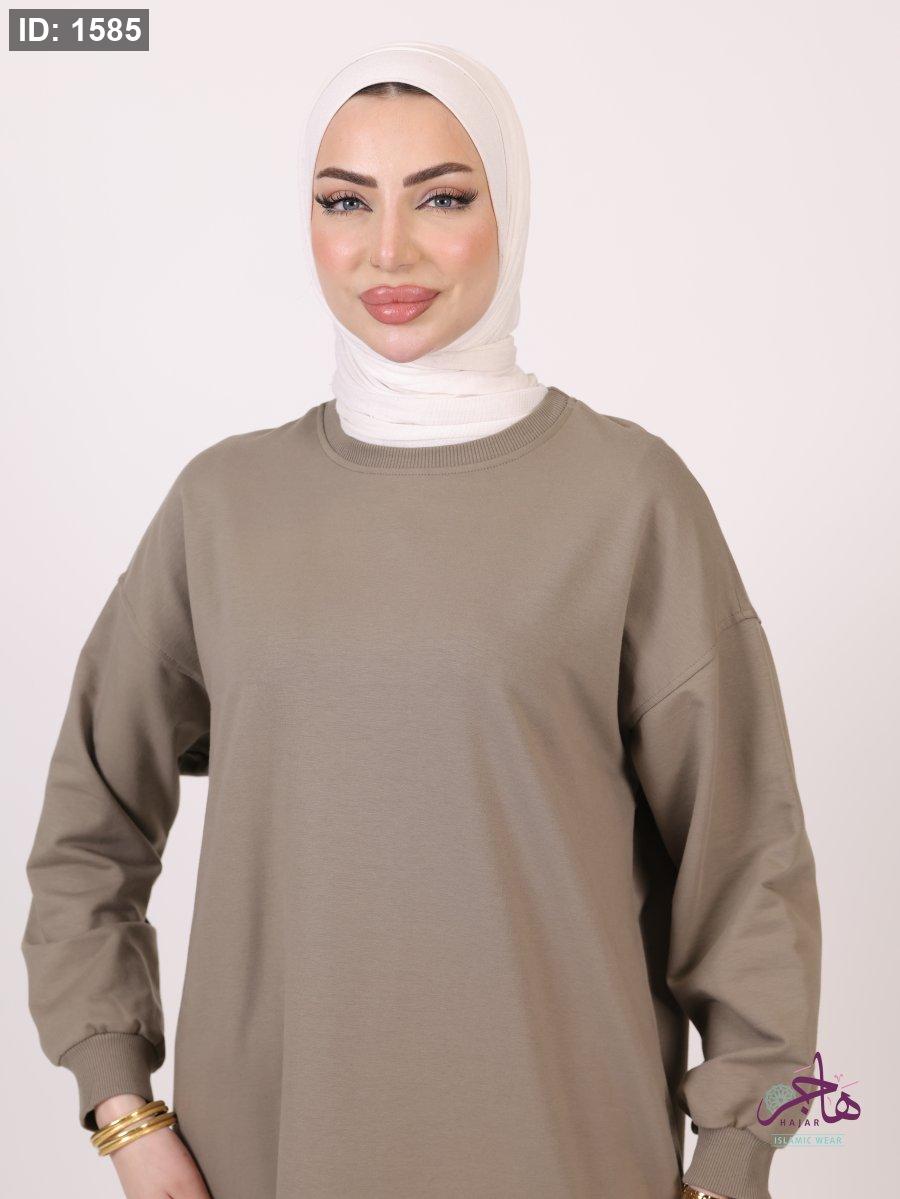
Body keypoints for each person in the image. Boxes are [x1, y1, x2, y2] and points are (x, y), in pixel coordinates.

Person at [20, 40, 822, 1199]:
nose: (387, 249)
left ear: (510, 207)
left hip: (570, 1159)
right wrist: (121, 1109)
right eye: (345, 201)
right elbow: (88, 823)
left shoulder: (628, 497)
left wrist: (737, 1160)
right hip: (270, 1161)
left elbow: (750, 866)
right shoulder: (224, 505)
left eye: (442, 197)